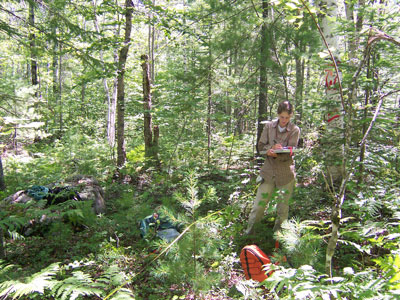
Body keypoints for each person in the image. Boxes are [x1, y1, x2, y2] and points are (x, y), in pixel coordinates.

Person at [246, 101, 300, 235]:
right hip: (268, 172)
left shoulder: (295, 130)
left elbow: (292, 149)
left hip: (286, 173)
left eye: (287, 118)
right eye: (282, 117)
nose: (284, 120)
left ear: (291, 116)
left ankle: (279, 239)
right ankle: (249, 236)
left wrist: (281, 151)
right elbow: (260, 146)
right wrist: (269, 150)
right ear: (278, 115)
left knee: (283, 209)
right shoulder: (269, 127)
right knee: (258, 206)